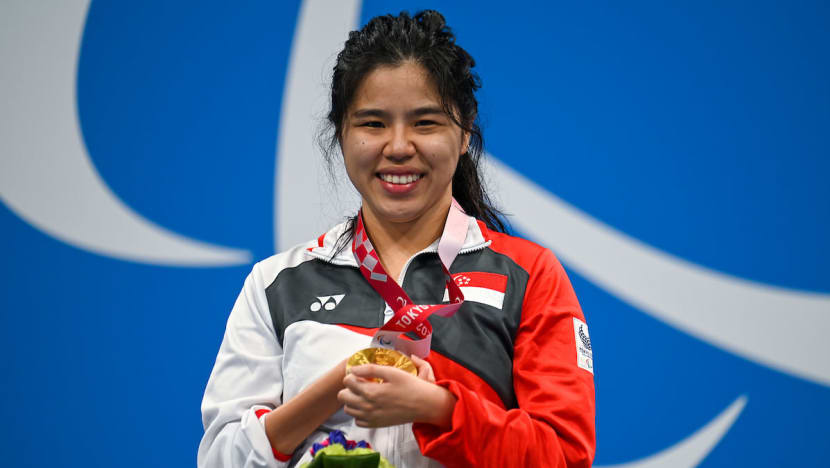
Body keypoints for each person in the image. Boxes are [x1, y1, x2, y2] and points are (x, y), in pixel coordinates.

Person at [198, 10, 595, 468]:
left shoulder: (528, 276)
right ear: (341, 133)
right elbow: (220, 459)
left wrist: (439, 409)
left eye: (425, 123)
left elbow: (564, 455)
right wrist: (333, 390)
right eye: (373, 124)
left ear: (464, 132)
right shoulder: (277, 284)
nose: (399, 146)